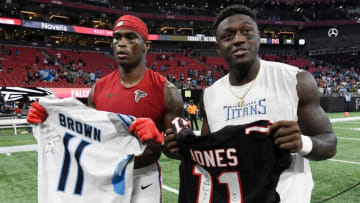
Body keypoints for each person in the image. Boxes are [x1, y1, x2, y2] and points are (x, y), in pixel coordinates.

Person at [164, 5, 337, 203]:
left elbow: (329, 141)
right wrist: (177, 149)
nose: (239, 39)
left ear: (258, 38)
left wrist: (302, 143)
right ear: (218, 47)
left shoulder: (296, 80)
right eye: (228, 36)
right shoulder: (210, 95)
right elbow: (209, 160)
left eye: (246, 32)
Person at [27, 15, 184, 203]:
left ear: (146, 45)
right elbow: (86, 137)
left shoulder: (167, 91)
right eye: (117, 38)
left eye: (130, 37)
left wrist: (159, 140)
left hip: (144, 177)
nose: (122, 43)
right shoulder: (98, 90)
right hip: (103, 177)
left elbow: (178, 150)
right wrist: (49, 118)